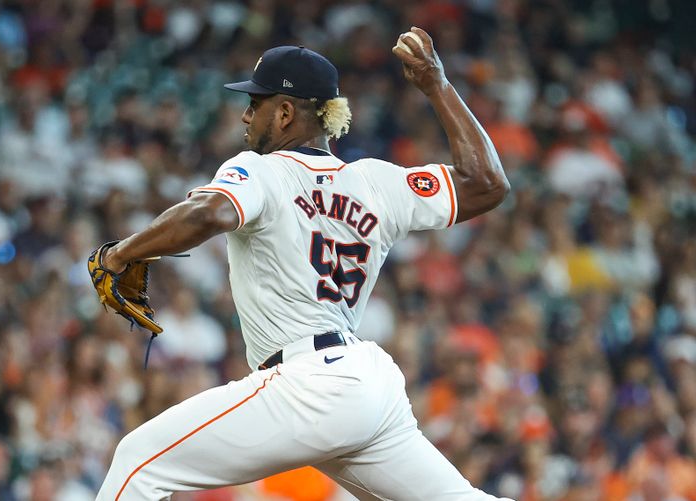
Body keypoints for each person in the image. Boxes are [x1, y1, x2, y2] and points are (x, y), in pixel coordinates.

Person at [94, 27, 511, 500]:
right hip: (369, 387)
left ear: (286, 111)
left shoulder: (260, 169)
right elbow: (487, 183)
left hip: (308, 383)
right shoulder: (375, 181)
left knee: (138, 462)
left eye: (256, 103)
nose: (247, 116)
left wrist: (119, 254)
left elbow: (211, 211)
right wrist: (438, 84)